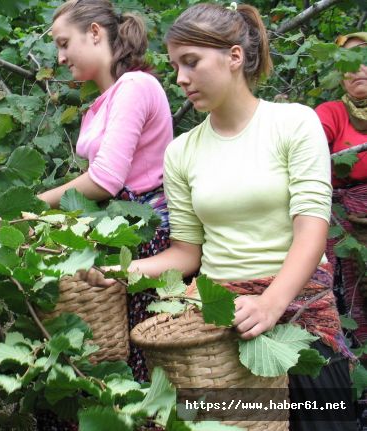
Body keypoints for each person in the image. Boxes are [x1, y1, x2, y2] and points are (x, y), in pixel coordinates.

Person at [83, 3, 354, 430]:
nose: (181, 78)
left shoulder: (294, 124)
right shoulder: (182, 151)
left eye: (191, 62)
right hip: (216, 333)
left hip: (301, 324)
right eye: (175, 66)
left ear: (234, 57)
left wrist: (270, 303)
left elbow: (311, 232)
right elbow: (186, 254)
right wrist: (120, 270)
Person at [39, 0, 173, 383]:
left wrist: (38, 204)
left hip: (147, 234)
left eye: (65, 43)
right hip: (119, 227)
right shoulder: (100, 103)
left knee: (141, 354)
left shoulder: (135, 86)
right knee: (111, 351)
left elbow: (105, 180)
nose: (61, 57)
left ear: (95, 33)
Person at [315, 32, 367, 344]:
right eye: (350, 63)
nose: (358, 69)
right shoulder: (332, 112)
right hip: (347, 224)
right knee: (353, 296)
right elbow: (311, 154)